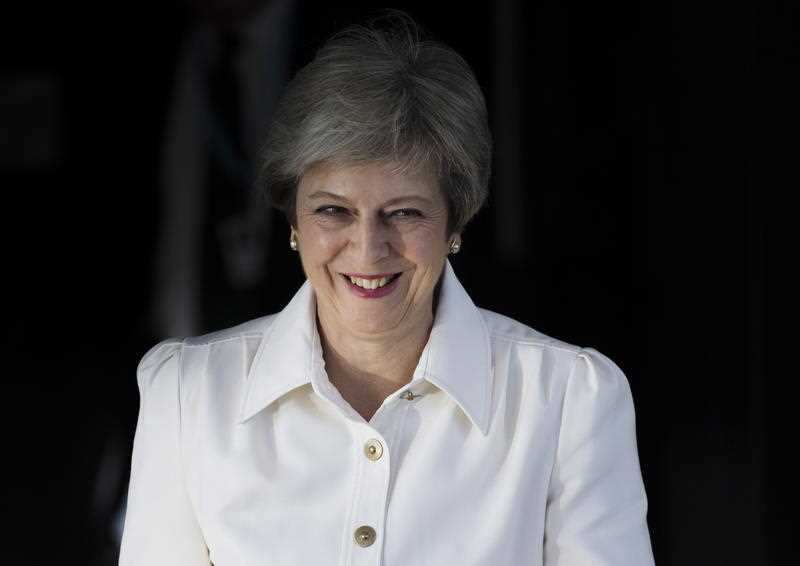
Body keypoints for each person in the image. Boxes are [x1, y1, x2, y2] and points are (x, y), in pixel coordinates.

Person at [119, 12, 655, 565]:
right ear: (294, 222)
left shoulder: (568, 399)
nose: (368, 246)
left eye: (403, 213)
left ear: (455, 223)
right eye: (334, 210)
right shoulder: (187, 396)